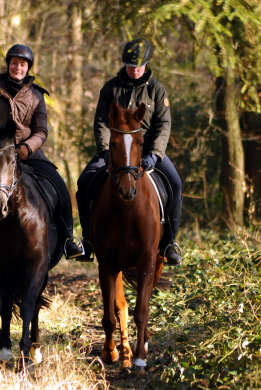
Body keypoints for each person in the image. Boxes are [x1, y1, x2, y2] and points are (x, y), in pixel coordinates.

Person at [0, 44, 85, 271]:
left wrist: (25, 148)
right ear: (8, 65)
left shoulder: (36, 96)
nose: (18, 68)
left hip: (29, 156)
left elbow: (41, 131)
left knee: (60, 189)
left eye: (23, 64)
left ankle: (68, 240)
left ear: (28, 68)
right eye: (14, 63)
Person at [76, 39, 183, 265]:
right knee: (84, 181)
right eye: (130, 65)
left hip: (147, 151)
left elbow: (164, 124)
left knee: (175, 184)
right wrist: (105, 151)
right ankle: (87, 241)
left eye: (139, 66)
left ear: (146, 64)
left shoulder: (157, 90)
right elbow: (101, 123)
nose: (134, 70)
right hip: (115, 151)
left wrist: (155, 154)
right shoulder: (110, 88)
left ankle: (169, 244)